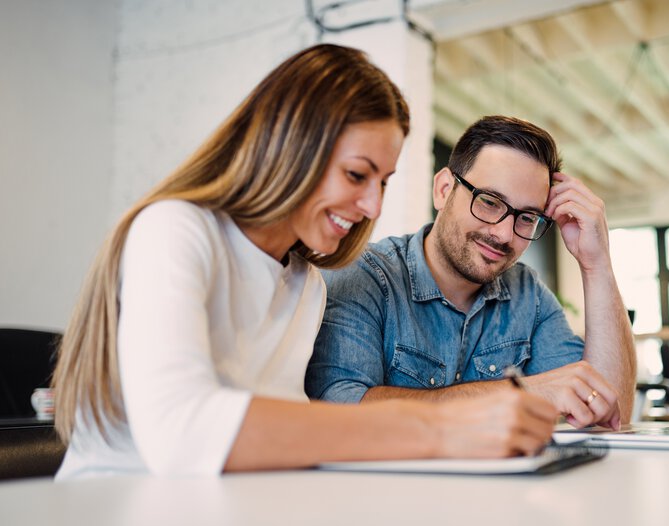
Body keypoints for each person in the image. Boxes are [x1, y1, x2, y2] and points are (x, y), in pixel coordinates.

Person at [51, 45, 558, 479]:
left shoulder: (305, 282)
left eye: (382, 182)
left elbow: (288, 434)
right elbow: (182, 433)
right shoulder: (175, 229)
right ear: (291, 147)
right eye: (357, 174)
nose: (373, 207)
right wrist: (442, 427)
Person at [306, 116, 636, 429]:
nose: (505, 234)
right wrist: (519, 393)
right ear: (444, 189)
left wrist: (596, 264)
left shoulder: (528, 294)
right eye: (490, 201)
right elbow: (338, 411)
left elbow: (610, 413)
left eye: (526, 217)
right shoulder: (366, 276)